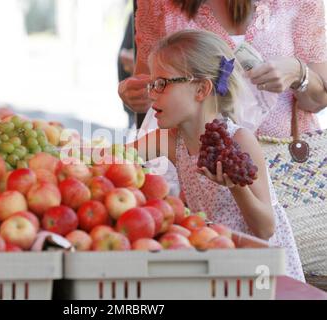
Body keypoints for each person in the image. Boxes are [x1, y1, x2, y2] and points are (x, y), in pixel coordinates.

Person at [128, 29, 305, 281]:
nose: (151, 93)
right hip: (221, 261)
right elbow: (115, 158)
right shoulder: (168, 141)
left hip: (262, 269)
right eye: (152, 84)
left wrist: (236, 187)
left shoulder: (240, 141)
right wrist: (65, 152)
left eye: (161, 84)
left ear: (201, 89)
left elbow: (265, 229)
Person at [119, 0, 327, 138]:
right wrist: (136, 93)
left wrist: (298, 72)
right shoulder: (158, 4)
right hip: (195, 169)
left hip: (283, 169)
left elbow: (318, 100)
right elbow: (149, 86)